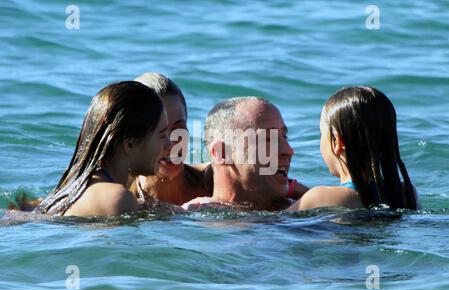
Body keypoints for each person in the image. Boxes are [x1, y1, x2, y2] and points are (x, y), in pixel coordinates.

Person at [33, 81, 170, 217]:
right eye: (163, 135)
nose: (169, 145)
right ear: (129, 144)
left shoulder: (76, 188)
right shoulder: (119, 199)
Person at [288, 86, 418, 211]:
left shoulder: (319, 196)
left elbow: (271, 224)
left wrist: (289, 190)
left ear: (338, 142)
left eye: (321, 133)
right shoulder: (407, 193)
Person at [182, 96, 308, 211]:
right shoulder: (197, 215)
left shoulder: (305, 207)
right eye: (268, 139)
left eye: (284, 137)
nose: (289, 151)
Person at [128, 72, 213, 206]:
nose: (172, 142)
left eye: (178, 128)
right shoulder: (124, 201)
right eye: (158, 132)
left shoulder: (213, 182)